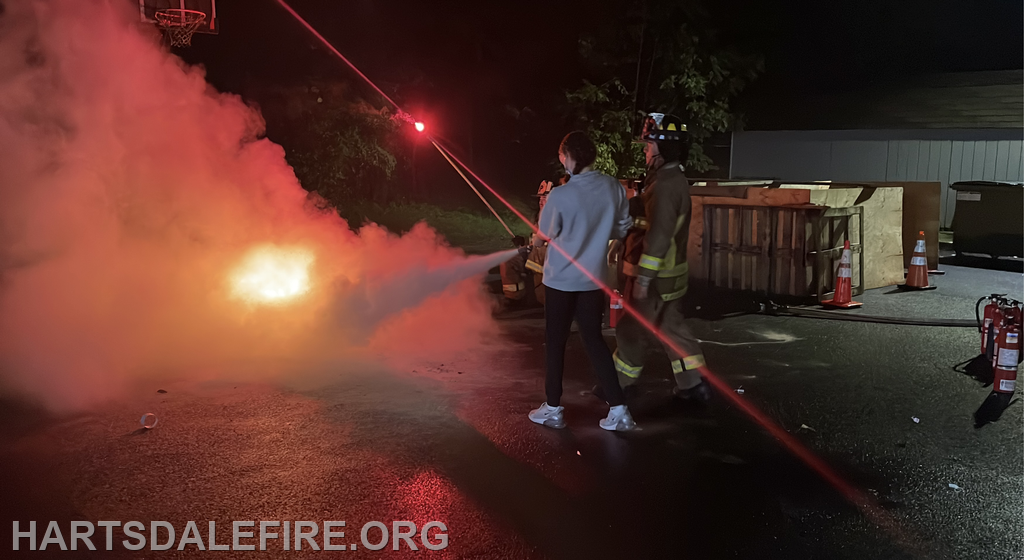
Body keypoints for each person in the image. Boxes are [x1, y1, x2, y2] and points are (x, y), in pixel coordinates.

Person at [528, 131, 636, 431]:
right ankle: (618, 410)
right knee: (594, 340)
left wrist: (536, 239)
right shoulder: (613, 187)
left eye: (563, 157)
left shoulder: (561, 195)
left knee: (556, 342)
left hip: (560, 281)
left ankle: (552, 408)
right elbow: (622, 226)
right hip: (592, 280)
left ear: (571, 158)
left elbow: (545, 234)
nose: (562, 162)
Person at [611, 113, 712, 402]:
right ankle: (693, 385)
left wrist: (643, 277)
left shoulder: (666, 186)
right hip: (671, 275)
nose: (646, 150)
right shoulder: (670, 179)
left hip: (655, 278)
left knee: (631, 329)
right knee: (672, 328)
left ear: (664, 148)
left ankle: (621, 384)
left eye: (649, 145)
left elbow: (659, 235)